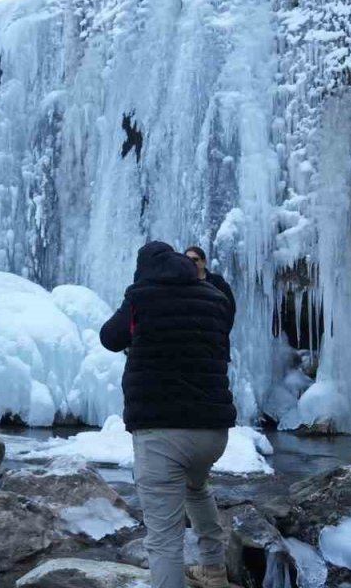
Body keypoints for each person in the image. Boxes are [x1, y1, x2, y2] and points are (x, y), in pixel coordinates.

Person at [100, 241, 238, 588]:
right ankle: (214, 570)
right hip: (212, 433)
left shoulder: (141, 297)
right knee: (197, 486)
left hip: (162, 432)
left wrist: (134, 301)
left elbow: (110, 338)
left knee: (163, 539)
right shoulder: (215, 298)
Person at [185, 245, 236, 327]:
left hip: (214, 334)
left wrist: (223, 331)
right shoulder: (182, 283)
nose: (191, 262)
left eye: (195, 259)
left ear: (204, 262)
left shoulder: (217, 282)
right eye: (187, 260)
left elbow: (230, 308)